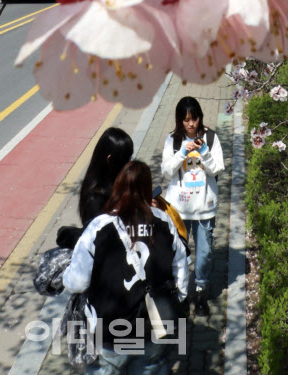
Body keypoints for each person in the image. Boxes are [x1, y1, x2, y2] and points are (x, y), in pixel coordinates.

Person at [63, 160, 189, 375]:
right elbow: (182, 270)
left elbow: (77, 282)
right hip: (154, 324)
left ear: (118, 188)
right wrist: (178, 298)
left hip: (111, 326)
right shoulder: (164, 221)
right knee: (152, 366)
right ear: (148, 189)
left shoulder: (100, 225)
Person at [161, 96, 224, 317]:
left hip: (205, 206)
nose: (191, 124)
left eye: (194, 119)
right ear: (179, 120)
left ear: (199, 117)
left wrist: (204, 151)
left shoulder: (211, 137)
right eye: (186, 120)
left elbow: (218, 167)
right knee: (179, 253)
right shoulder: (173, 140)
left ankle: (200, 292)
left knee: (204, 253)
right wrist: (182, 153)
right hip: (179, 208)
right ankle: (180, 294)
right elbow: (167, 171)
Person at [79, 127, 135, 226]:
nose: (128, 164)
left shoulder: (120, 182)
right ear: (109, 160)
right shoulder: (95, 199)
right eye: (125, 160)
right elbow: (103, 236)